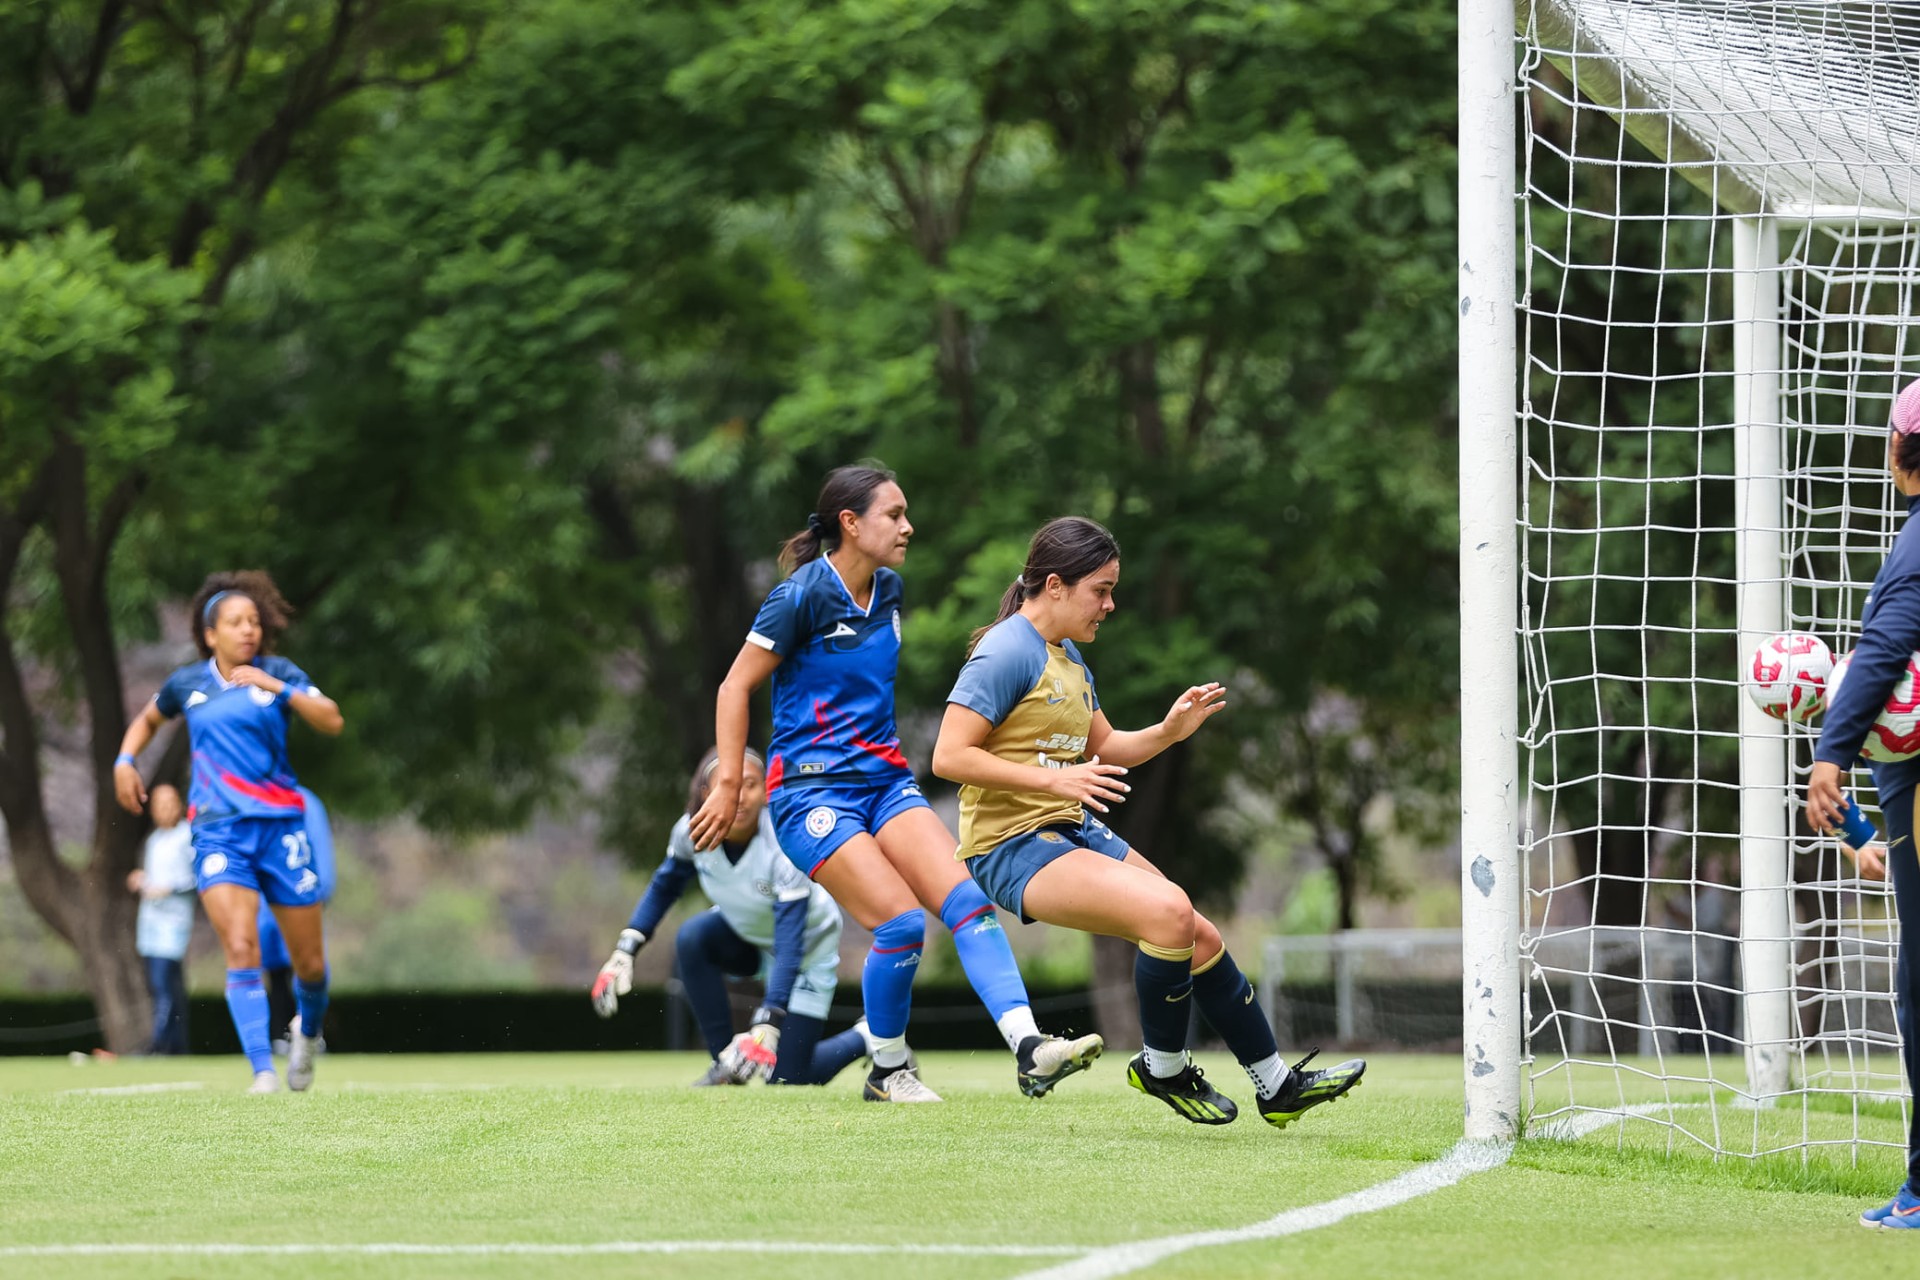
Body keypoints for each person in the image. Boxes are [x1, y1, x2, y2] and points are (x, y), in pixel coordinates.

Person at [931, 516, 1366, 1127]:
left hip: (1067, 827)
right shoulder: (1005, 651)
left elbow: (1106, 746)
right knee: (1168, 912)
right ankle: (1162, 1067)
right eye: (1101, 590)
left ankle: (1277, 1086)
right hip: (1010, 846)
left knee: (1196, 933)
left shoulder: (1068, 658)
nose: (1110, 604)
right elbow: (948, 756)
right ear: (1054, 585)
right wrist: (1056, 780)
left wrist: (1167, 732)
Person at [690, 464, 1103, 1104]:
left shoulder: (888, 589)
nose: (908, 526)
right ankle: (887, 1070)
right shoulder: (800, 596)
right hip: (811, 793)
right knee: (902, 924)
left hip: (884, 783)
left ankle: (1030, 1048)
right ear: (850, 524)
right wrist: (724, 786)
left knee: (968, 904)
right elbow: (733, 686)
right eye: (894, 514)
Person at [113, 571, 344, 1093]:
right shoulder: (187, 684)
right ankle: (262, 1071)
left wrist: (277, 687)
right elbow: (147, 721)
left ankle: (306, 1033)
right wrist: (125, 760)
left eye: (254, 622)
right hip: (219, 833)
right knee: (240, 946)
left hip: (281, 831)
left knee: (310, 965)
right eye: (236, 622)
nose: (248, 630)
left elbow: (331, 720)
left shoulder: (279, 672)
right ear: (210, 634)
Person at [1807, 378, 1920, 1230]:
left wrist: (1830, 755)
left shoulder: (1914, 548)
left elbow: (1884, 650)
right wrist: (1864, 833)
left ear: (1897, 450)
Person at [591, 747, 870, 1088]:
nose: (738, 796)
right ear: (706, 792)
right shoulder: (691, 831)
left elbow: (790, 940)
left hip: (805, 948)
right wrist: (626, 949)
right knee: (693, 938)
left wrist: (769, 1018)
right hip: (747, 936)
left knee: (786, 1078)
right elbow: (664, 886)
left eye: (749, 784)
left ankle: (866, 1037)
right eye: (728, 784)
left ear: (766, 790)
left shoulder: (785, 840)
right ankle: (725, 1064)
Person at [261, 786, 336, 1055]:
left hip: (300, 895)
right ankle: (279, 1035)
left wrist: (322, 889)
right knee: (275, 972)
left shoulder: (306, 802)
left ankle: (309, 1033)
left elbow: (320, 849)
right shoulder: (252, 796)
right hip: (265, 903)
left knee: (307, 967)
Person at [128, 784, 196, 1055]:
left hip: (174, 922)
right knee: (167, 985)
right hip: (150, 922)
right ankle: (176, 1046)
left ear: (179, 805)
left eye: (170, 803)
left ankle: (158, 1044)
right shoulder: (154, 840)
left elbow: (197, 877)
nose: (165, 809)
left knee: (163, 982)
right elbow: (155, 879)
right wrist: (141, 879)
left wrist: (170, 889)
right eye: (159, 804)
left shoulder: (187, 836)